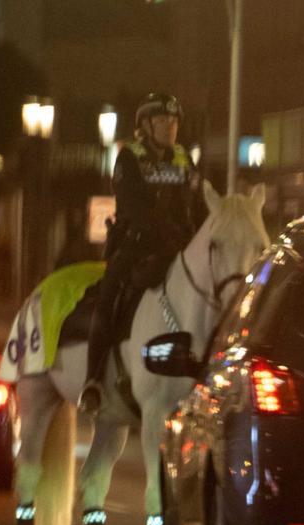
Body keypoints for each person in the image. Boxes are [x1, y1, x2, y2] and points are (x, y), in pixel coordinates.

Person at [78, 92, 205, 414]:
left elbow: (198, 202)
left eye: (174, 121)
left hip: (180, 247)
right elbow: (134, 207)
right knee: (109, 296)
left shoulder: (183, 158)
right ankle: (93, 381)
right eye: (162, 121)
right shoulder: (129, 158)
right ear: (146, 125)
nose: (170, 127)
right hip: (137, 247)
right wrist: (169, 233)